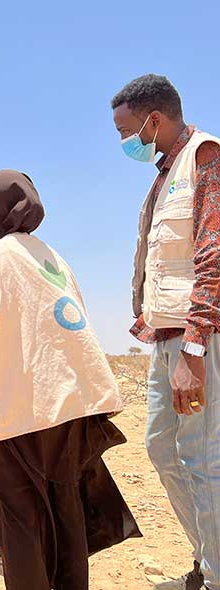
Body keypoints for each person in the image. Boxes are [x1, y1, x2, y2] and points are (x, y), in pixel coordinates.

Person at [0, 170, 141, 590]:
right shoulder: (54, 258)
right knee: (64, 507)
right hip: (68, 403)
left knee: (19, 520)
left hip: (16, 409)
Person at [112, 74, 220, 590]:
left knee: (202, 458)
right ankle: (206, 559)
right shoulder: (164, 173)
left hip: (196, 342)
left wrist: (194, 349)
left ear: (154, 120)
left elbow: (213, 255)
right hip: (165, 339)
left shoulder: (205, 157)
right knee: (161, 446)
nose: (124, 142)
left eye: (127, 129)